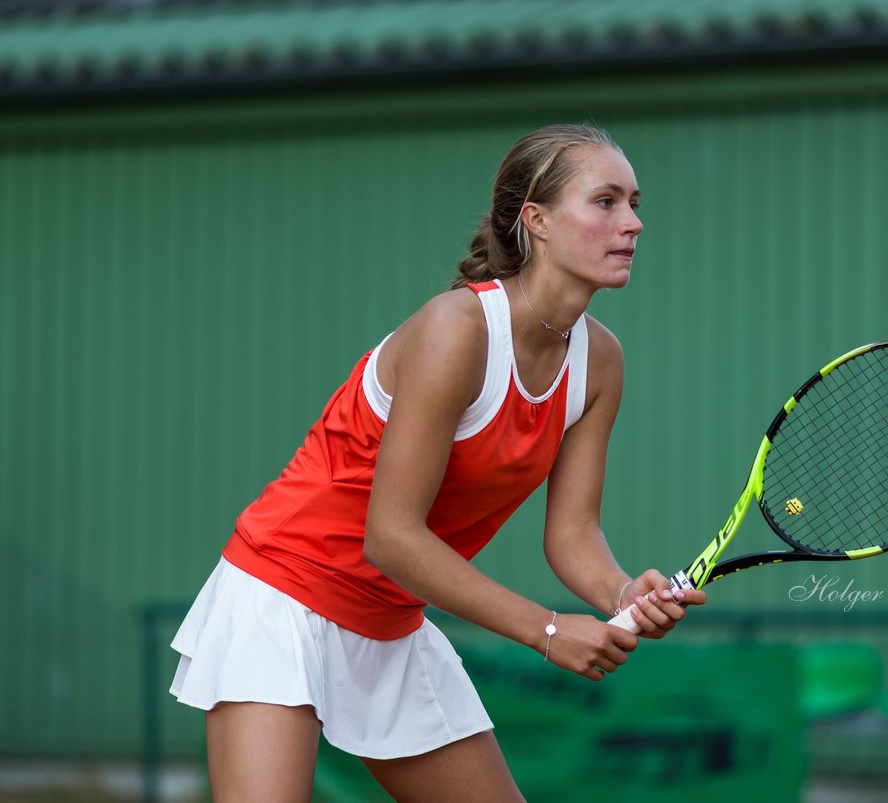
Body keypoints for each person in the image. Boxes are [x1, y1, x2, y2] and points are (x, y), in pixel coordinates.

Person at [168, 123, 707, 802]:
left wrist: (621, 593)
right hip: (283, 596)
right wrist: (546, 631)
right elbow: (391, 536)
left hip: (390, 620)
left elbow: (572, 533)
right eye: (605, 202)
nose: (632, 223)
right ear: (535, 221)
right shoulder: (456, 330)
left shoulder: (600, 362)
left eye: (633, 202)